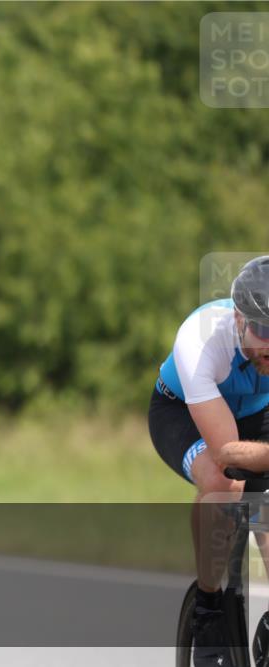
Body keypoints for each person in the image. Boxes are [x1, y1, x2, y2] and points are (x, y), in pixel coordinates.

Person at [149, 256, 269, 667]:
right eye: (263, 331)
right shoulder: (201, 338)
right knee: (225, 484)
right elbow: (227, 453)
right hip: (183, 411)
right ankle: (209, 605)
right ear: (239, 319)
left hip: (258, 412)